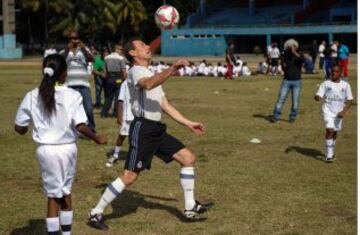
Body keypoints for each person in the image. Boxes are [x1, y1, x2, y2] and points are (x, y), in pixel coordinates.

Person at [88, 38, 213, 230]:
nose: (148, 47)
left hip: (156, 129)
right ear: (133, 54)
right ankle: (95, 212)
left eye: (147, 45)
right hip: (143, 129)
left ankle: (190, 207)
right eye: (142, 46)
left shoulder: (151, 73)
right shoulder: (135, 71)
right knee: (129, 176)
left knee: (188, 158)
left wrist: (189, 124)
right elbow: (147, 85)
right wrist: (172, 69)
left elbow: (165, 105)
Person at [14, 54, 108, 235]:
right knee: (65, 192)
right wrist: (96, 138)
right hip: (67, 150)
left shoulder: (32, 95)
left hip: (46, 150)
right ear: (64, 73)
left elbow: (20, 127)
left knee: (53, 195)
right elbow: (80, 125)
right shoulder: (73, 95)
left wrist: (25, 128)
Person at [314, 65, 353, 162]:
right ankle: (329, 155)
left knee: (335, 132)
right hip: (327, 111)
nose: (333, 73)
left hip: (339, 112)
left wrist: (343, 112)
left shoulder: (345, 85)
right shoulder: (326, 84)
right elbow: (319, 94)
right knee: (330, 130)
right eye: (332, 71)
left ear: (340, 73)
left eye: (335, 71)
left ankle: (330, 150)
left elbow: (349, 100)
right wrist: (317, 97)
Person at [60, 31, 96, 133]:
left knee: (88, 108)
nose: (74, 40)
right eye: (71, 38)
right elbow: (60, 60)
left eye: (76, 37)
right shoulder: (65, 51)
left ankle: (91, 130)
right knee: (70, 109)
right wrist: (68, 49)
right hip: (70, 84)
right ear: (68, 39)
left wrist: (84, 48)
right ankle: (71, 130)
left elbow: (92, 59)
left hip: (83, 83)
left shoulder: (84, 49)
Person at [271, 39, 304, 123]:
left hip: (297, 81)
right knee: (281, 99)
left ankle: (292, 117)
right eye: (290, 46)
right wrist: (286, 52)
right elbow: (281, 59)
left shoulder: (299, 54)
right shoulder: (285, 54)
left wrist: (294, 53)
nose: (292, 47)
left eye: (293, 46)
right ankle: (276, 117)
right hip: (286, 80)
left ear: (296, 47)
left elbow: (302, 60)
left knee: (295, 101)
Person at [106, 78, 134, 167]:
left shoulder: (143, 81)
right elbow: (120, 100)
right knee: (122, 135)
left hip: (139, 115)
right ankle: (115, 155)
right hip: (127, 115)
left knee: (136, 137)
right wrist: (119, 115)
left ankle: (134, 157)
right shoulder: (125, 83)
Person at [101, 43, 127, 118]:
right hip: (118, 78)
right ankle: (116, 113)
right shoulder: (121, 58)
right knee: (118, 97)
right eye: (120, 49)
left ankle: (104, 113)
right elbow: (124, 71)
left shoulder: (106, 58)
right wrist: (124, 78)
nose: (121, 51)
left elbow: (104, 72)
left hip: (109, 79)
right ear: (116, 49)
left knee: (108, 97)